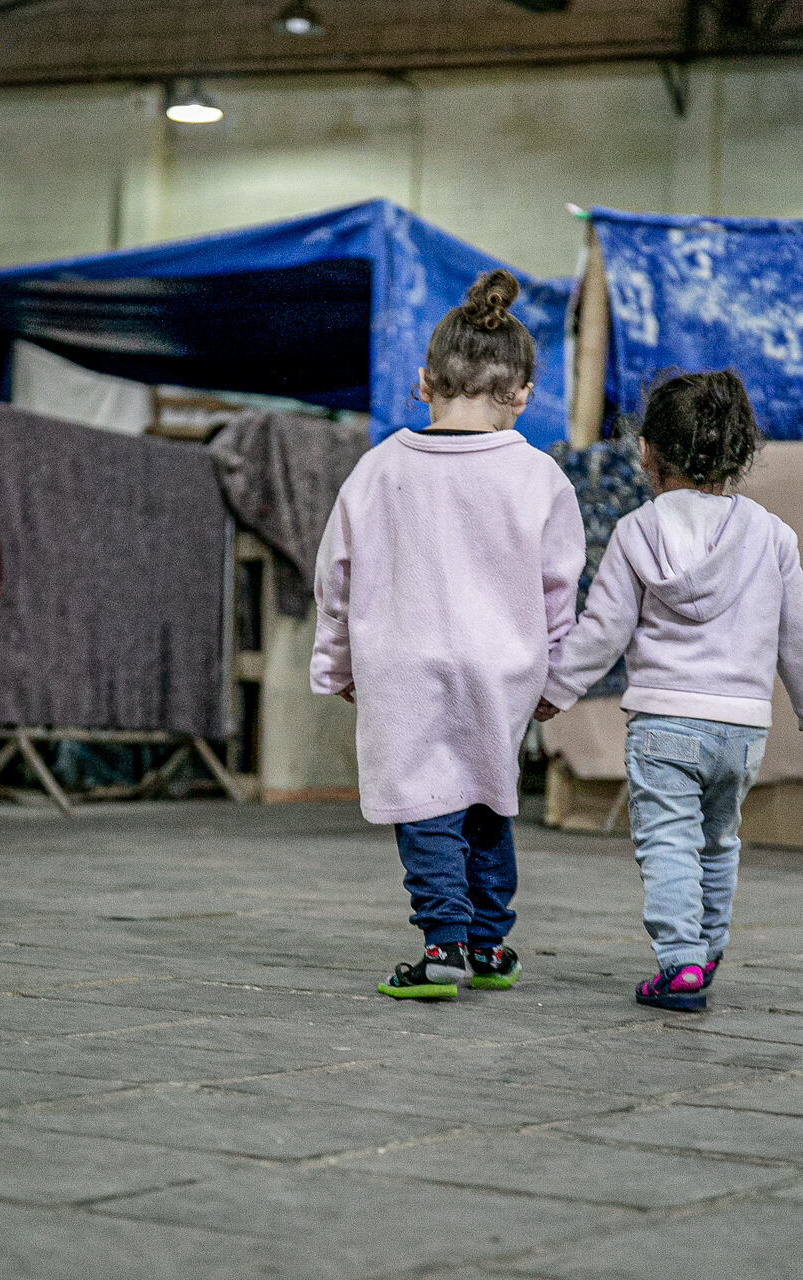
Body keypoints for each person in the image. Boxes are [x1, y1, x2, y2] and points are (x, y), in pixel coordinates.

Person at [310, 269, 585, 999]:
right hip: (503, 668)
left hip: (400, 662)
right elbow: (560, 591)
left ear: (424, 382)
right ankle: (490, 947)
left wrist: (334, 666)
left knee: (426, 799)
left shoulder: (377, 471)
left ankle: (442, 949)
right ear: (523, 393)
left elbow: (335, 580)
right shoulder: (539, 477)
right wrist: (557, 681)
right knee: (489, 796)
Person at [535, 370, 803, 1011]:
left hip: (664, 726)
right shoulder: (772, 536)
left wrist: (555, 690)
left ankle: (679, 960)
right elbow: (796, 638)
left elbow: (602, 632)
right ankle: (707, 950)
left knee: (668, 841)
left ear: (648, 452)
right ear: (739, 452)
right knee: (719, 840)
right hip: (743, 725)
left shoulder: (637, 532)